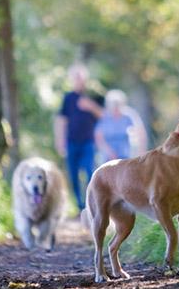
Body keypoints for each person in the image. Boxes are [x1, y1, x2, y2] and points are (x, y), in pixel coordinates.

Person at [54, 64, 102, 210]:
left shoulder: (94, 96)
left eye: (81, 78)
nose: (79, 81)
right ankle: (80, 205)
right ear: (71, 80)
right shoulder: (68, 98)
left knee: (90, 172)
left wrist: (91, 106)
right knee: (73, 175)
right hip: (72, 142)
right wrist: (59, 141)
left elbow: (104, 116)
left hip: (89, 142)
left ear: (85, 79)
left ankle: (90, 204)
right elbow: (61, 120)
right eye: (75, 78)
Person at [94, 89, 147, 162]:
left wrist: (141, 151)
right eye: (113, 106)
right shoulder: (105, 117)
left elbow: (141, 132)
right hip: (107, 156)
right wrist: (108, 151)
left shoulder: (129, 115)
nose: (116, 109)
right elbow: (98, 137)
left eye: (118, 105)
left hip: (125, 155)